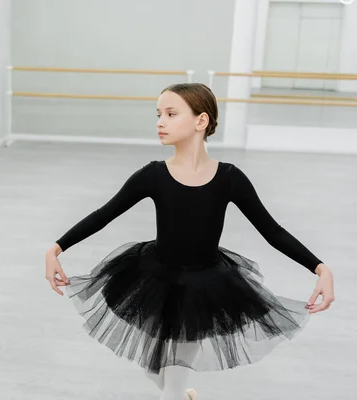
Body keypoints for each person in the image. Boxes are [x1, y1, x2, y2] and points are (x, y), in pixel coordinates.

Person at [44, 83, 335, 400]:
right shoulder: (153, 175)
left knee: (169, 388)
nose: (160, 122)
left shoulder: (229, 179)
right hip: (155, 280)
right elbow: (104, 213)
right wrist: (56, 247)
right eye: (158, 114)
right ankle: (181, 394)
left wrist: (320, 269)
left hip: (203, 290)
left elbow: (273, 231)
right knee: (151, 367)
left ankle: (177, 394)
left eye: (170, 114)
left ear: (201, 121)